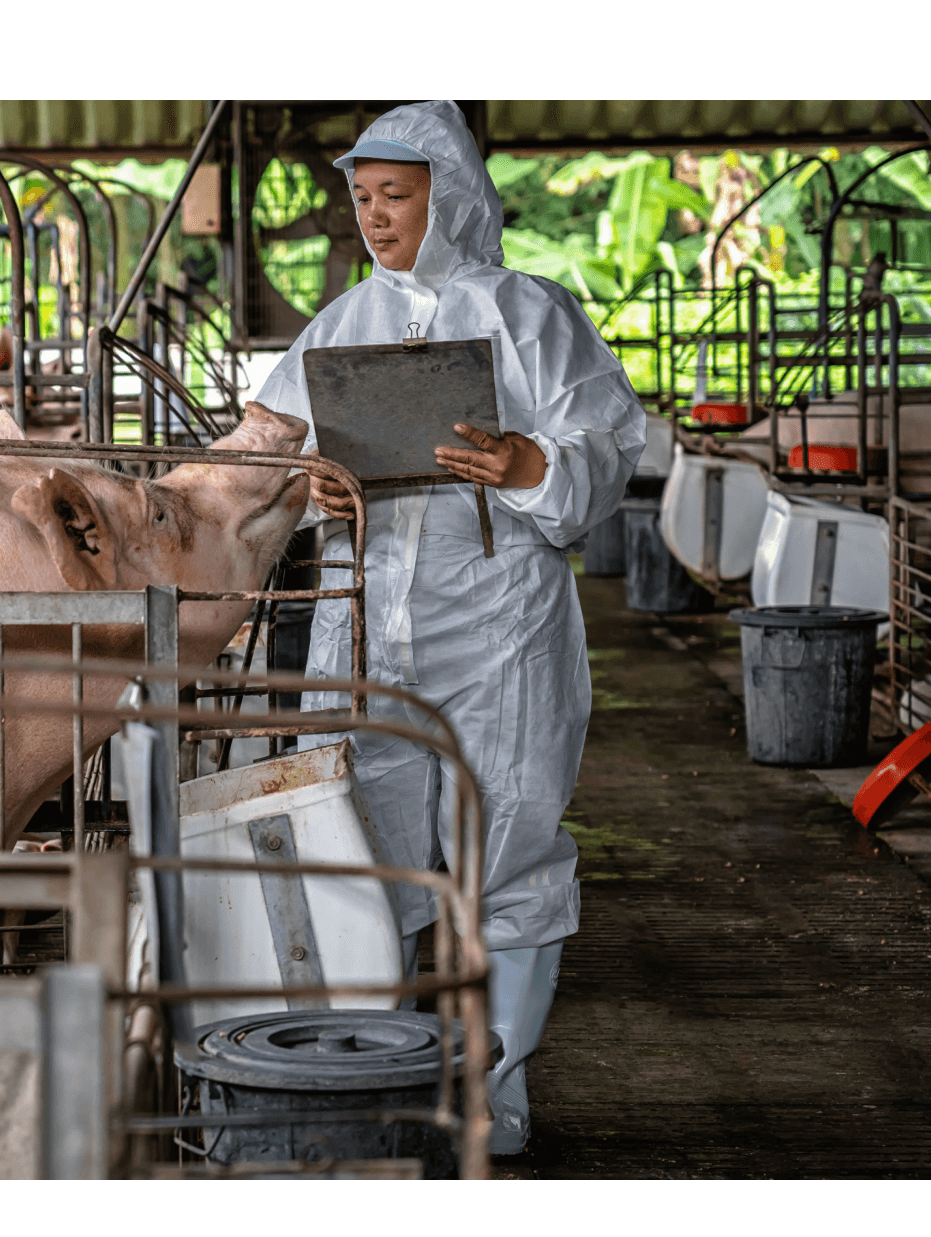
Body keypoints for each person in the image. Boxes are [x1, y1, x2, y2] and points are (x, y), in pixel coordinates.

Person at [254, 101, 644, 1154]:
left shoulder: (527, 311)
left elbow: (609, 442)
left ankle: (493, 1089)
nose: (375, 219)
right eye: (363, 198)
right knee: (364, 839)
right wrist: (313, 491)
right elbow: (275, 461)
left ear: (451, 195)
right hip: (368, 621)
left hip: (499, 618)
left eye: (396, 196)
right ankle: (382, 1071)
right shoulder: (340, 324)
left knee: (504, 839)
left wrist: (531, 464)